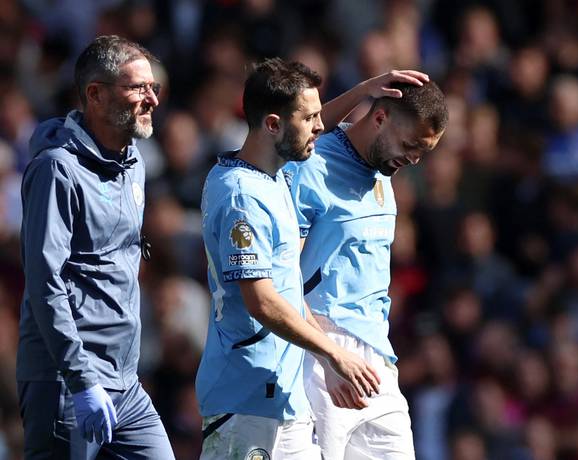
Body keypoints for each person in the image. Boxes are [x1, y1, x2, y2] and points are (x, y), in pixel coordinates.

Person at [195, 58, 427, 460]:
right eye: (312, 118)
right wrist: (332, 353)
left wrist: (363, 90)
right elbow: (262, 301)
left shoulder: (276, 179)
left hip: (285, 397)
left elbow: (309, 131)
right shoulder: (241, 195)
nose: (323, 126)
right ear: (272, 125)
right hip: (245, 393)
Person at [16, 35, 175, 459]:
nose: (151, 100)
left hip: (126, 384)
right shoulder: (56, 171)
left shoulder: (135, 162)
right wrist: (81, 380)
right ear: (95, 95)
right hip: (66, 381)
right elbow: (44, 282)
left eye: (153, 88)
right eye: (137, 88)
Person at [286, 80, 448, 459]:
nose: (414, 160)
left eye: (424, 152)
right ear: (379, 117)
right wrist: (327, 357)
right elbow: (282, 273)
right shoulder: (312, 167)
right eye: (411, 146)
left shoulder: (382, 171)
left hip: (378, 360)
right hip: (320, 353)